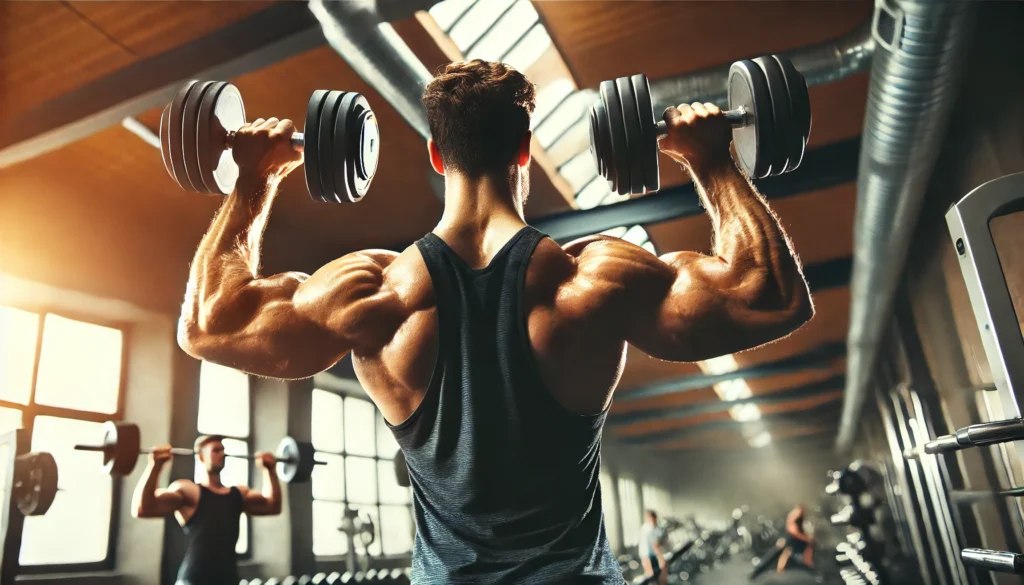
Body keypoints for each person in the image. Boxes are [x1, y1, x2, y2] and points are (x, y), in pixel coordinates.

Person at [176, 59, 813, 583]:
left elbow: (208, 324)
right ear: (525, 150)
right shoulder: (591, 279)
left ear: (434, 153)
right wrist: (711, 161)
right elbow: (771, 297)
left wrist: (252, 184)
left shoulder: (375, 295)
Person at [131, 435, 282, 585]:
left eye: (223, 450)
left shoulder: (239, 494)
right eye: (216, 450)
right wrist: (155, 466)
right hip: (194, 580)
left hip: (228, 580)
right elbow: (143, 509)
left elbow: (273, 506)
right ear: (201, 457)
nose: (223, 454)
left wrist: (270, 470)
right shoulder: (189, 491)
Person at [777, 504, 814, 572]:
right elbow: (791, 529)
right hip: (793, 540)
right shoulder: (795, 514)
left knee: (808, 548)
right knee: (787, 552)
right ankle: (780, 570)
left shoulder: (804, 518)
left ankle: (808, 566)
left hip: (802, 541)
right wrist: (804, 538)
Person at [638, 510, 668, 584]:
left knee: (653, 575)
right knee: (654, 576)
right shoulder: (649, 528)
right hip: (648, 555)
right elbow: (655, 545)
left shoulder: (646, 527)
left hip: (647, 555)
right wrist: (662, 559)